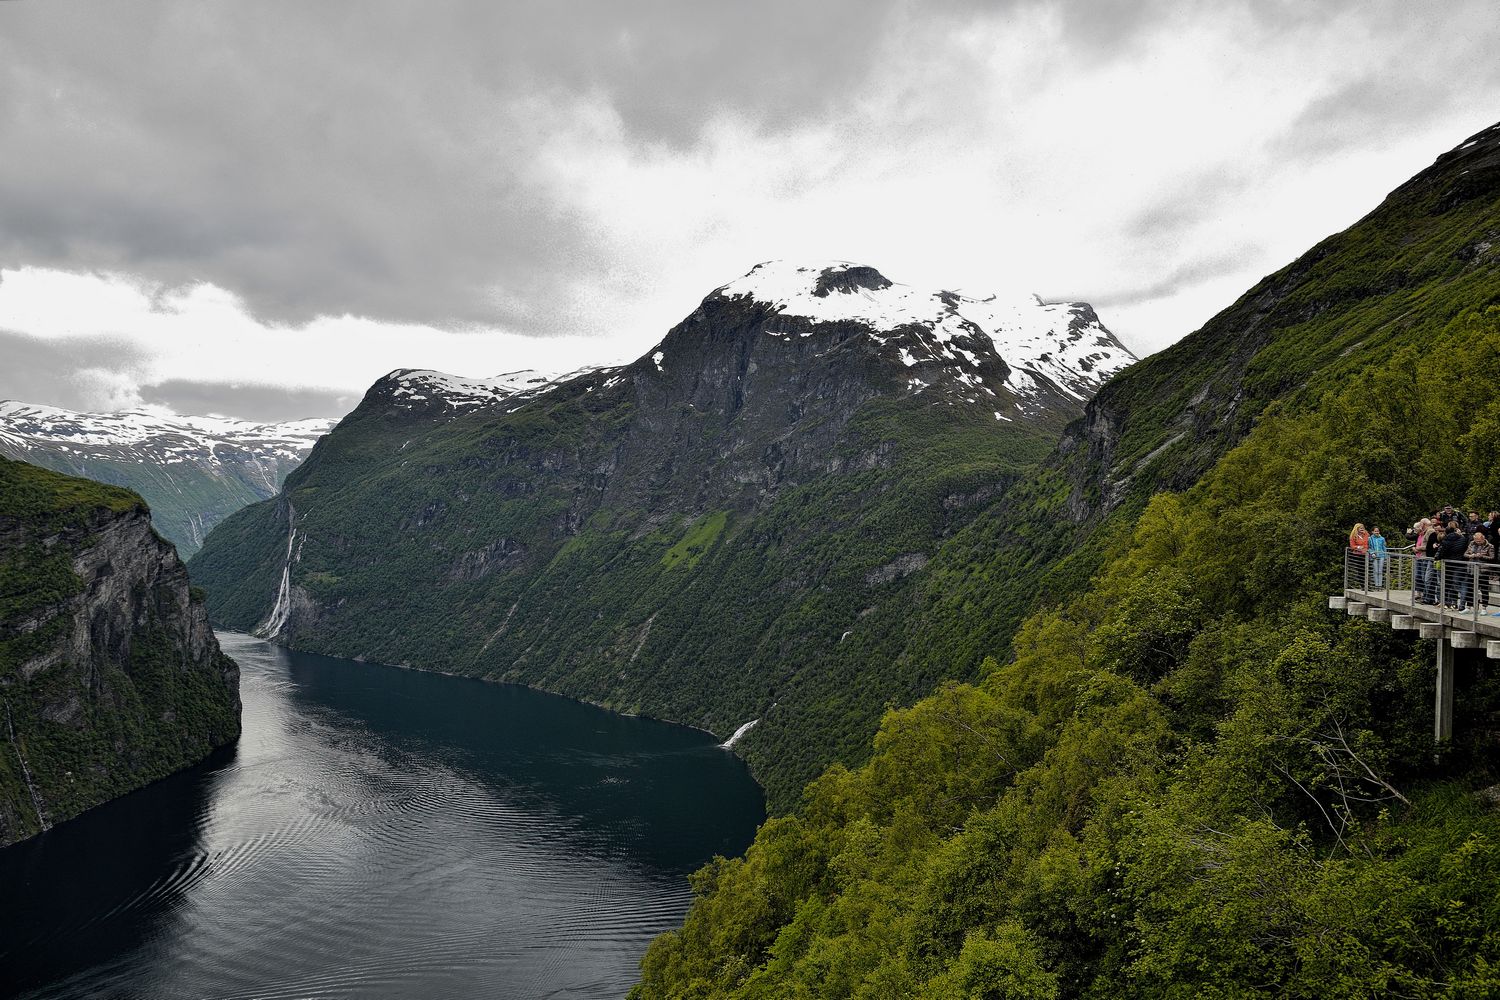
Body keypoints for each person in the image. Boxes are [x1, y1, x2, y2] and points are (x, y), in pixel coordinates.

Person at [1440, 521, 1469, 607]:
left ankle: (1448, 602)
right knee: (1456, 583)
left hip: (1449, 563)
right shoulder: (1463, 538)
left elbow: (1442, 551)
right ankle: (1457, 603)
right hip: (1460, 563)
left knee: (1449, 584)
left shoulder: (1446, 539)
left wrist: (1438, 557)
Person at [1349, 523, 1370, 589]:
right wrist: (1358, 547)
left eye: (1363, 528)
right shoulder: (1353, 536)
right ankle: (1362, 585)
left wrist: (1365, 533)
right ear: (1357, 529)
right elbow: (1352, 546)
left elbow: (1369, 542)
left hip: (1366, 554)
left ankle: (1368, 585)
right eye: (1360, 528)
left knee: (1367, 569)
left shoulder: (1366, 534)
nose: (1362, 529)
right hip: (1358, 555)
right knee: (1360, 570)